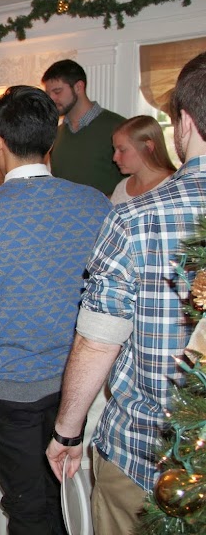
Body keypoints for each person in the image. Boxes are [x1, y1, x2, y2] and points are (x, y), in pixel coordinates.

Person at [46, 51, 206, 534]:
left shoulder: (138, 217)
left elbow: (99, 340)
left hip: (150, 455)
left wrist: (67, 431)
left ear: (183, 121)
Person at [0, 86, 111, 534]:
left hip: (10, 385)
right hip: (78, 382)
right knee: (67, 499)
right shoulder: (95, 202)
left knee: (26, 506)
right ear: (50, 140)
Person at [42, 59, 126, 196]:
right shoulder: (56, 134)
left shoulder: (119, 127)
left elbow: (135, 183)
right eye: (48, 94)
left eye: (57, 92)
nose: (51, 99)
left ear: (78, 87)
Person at [110, 115, 177, 204]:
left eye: (122, 150)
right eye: (115, 150)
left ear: (148, 147)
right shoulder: (121, 187)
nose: (115, 158)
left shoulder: (174, 186)